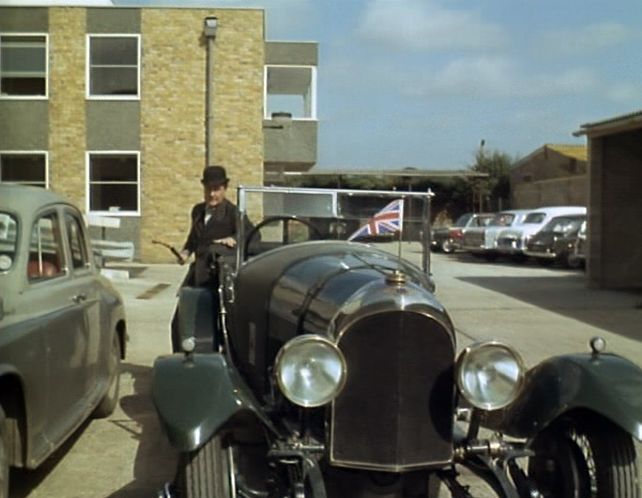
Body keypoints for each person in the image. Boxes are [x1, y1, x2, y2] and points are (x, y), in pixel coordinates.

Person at [180, 165, 239, 287]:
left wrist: (234, 239)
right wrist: (186, 252)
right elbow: (193, 239)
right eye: (208, 189)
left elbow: (253, 237)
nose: (211, 194)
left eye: (216, 189)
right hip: (197, 274)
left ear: (224, 189)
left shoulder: (233, 212)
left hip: (218, 279)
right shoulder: (197, 211)